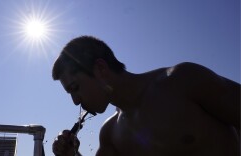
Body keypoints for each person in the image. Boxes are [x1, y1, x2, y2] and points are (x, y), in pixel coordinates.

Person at [52, 36, 240, 156]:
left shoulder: (183, 81)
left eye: (75, 88)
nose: (75, 100)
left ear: (101, 69)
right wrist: (72, 154)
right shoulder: (110, 133)